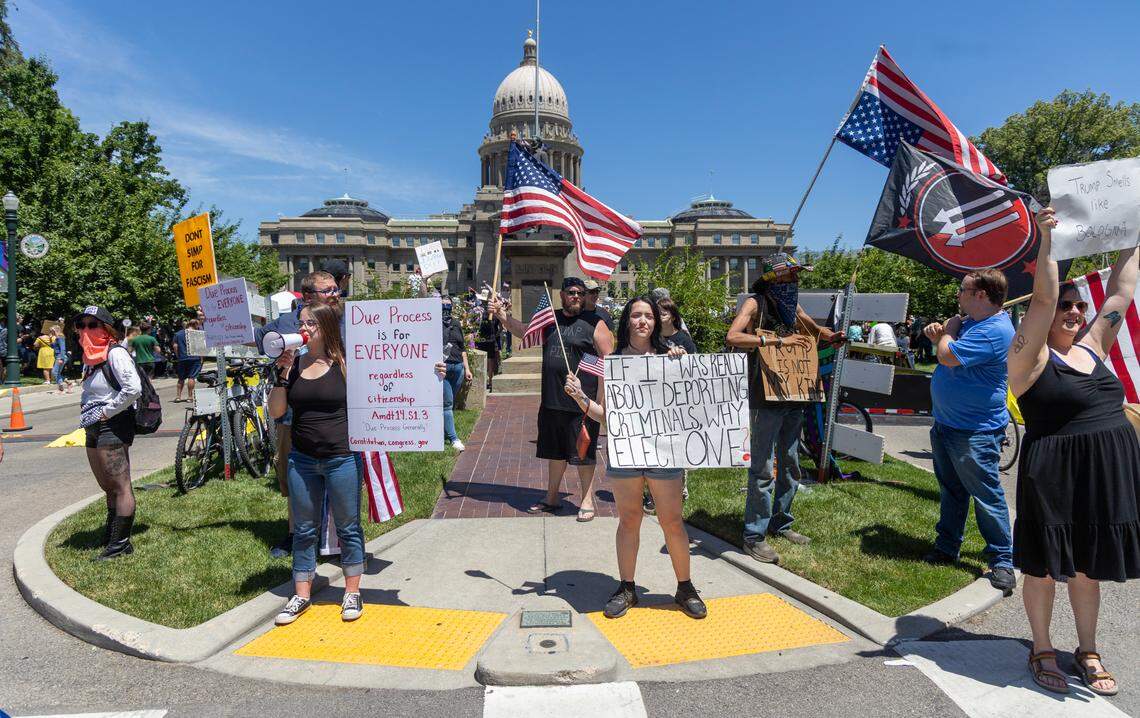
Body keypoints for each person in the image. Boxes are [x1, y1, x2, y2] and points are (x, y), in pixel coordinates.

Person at [1006, 207, 1139, 696]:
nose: (1075, 312)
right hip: (1053, 474)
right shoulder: (1027, 357)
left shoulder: (1094, 347)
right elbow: (1043, 297)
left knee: (1088, 567)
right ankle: (1041, 647)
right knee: (1043, 568)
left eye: (1079, 306)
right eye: (1067, 306)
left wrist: (1134, 237)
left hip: (1102, 478)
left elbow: (1123, 291)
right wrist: (1048, 240)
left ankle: (1087, 649)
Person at [564, 296, 706, 619]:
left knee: (671, 521)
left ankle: (685, 587)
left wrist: (682, 367)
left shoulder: (670, 357)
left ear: (657, 322)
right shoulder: (611, 363)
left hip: (664, 452)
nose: (643, 320)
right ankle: (627, 587)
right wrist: (580, 398)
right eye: (637, 315)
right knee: (629, 520)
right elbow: (604, 415)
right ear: (627, 319)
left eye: (649, 316)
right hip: (625, 451)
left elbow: (690, 403)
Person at [727, 252, 843, 564]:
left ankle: (781, 521)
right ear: (774, 278)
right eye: (791, 275)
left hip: (795, 392)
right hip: (765, 397)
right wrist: (775, 343)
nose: (796, 280)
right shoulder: (755, 303)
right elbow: (733, 337)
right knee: (763, 467)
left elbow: (814, 330)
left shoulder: (795, 306)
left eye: (796, 275)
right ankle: (754, 535)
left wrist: (832, 336)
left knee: (790, 462)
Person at [269, 302, 366, 625]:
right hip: (303, 459)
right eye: (302, 323)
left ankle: (352, 592)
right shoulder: (294, 365)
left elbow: (380, 392)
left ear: (326, 326)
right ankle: (301, 594)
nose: (304, 329)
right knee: (304, 530)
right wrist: (282, 375)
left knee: (348, 527)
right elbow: (276, 412)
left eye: (311, 323)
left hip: (342, 457)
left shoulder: (345, 363)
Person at [921, 269, 1016, 594]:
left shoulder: (994, 331)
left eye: (963, 290)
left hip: (974, 430)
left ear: (980, 295)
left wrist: (947, 332)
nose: (958, 295)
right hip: (949, 424)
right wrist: (943, 335)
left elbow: (948, 356)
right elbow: (948, 349)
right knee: (952, 490)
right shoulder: (975, 323)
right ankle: (947, 546)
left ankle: (1003, 560)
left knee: (986, 496)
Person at [491, 276, 615, 521]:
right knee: (555, 452)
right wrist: (501, 316)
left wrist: (600, 399)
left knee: (583, 453)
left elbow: (608, 359)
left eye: (580, 293)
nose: (576, 297)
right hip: (552, 399)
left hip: (582, 402)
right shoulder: (550, 319)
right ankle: (552, 497)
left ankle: (586, 499)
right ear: (562, 295)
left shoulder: (596, 322)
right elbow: (524, 332)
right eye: (571, 292)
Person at [256, 271, 342, 558]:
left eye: (335, 289)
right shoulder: (286, 324)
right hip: (293, 413)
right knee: (295, 478)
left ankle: (338, 539)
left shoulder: (347, 319)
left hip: (335, 414)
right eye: (326, 291)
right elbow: (257, 339)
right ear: (307, 296)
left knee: (339, 478)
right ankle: (296, 534)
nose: (334, 294)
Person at [75, 306, 142, 560]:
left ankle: (121, 544)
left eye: (93, 325)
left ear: (107, 329)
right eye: (82, 325)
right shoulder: (90, 358)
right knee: (106, 485)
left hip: (112, 424)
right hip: (93, 424)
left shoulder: (115, 353)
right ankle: (112, 534)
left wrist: (108, 411)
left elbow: (133, 388)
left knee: (120, 485)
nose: (86, 330)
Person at [441, 296, 471, 450]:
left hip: (458, 367)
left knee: (448, 404)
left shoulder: (456, 323)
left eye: (448, 305)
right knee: (446, 404)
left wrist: (467, 368)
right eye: (443, 305)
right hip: (443, 369)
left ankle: (443, 432)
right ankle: (453, 439)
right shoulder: (434, 323)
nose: (446, 307)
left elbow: (462, 348)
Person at [172, 319, 202, 403]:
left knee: (181, 378)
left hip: (182, 358)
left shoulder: (178, 334)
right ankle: (189, 397)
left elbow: (175, 346)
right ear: (195, 325)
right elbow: (201, 347)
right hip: (194, 358)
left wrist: (178, 356)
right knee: (191, 377)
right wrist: (201, 358)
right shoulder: (197, 334)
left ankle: (178, 397)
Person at [50, 326, 72, 393]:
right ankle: (68, 383)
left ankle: (61, 387)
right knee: (57, 372)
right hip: (58, 356)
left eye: (51, 331)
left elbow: (63, 349)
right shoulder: (57, 338)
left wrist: (61, 358)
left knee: (54, 372)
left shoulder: (60, 337)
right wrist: (51, 338)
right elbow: (52, 346)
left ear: (55, 330)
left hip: (60, 356)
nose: (51, 332)